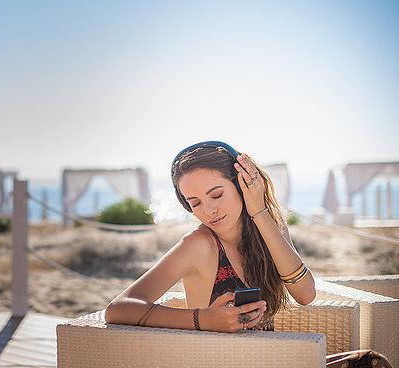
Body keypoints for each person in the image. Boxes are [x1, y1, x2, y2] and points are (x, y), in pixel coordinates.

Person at [105, 141, 392, 367]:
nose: (209, 210)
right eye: (195, 203)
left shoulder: (272, 226)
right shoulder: (199, 245)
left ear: (242, 185)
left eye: (216, 195)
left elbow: (305, 294)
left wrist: (259, 211)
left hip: (269, 359)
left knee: (371, 362)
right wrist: (202, 320)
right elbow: (118, 309)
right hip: (218, 363)